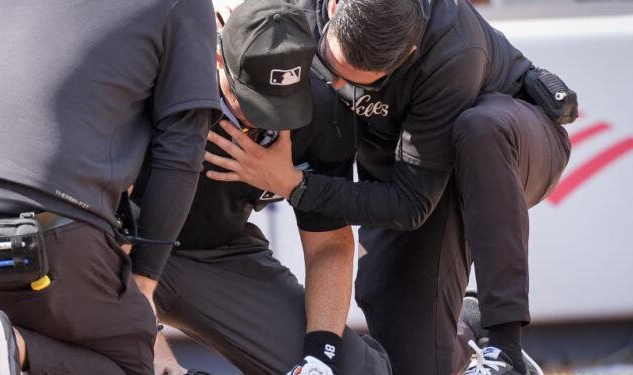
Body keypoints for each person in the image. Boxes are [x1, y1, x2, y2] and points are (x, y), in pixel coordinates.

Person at [205, 0, 573, 374]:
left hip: (509, 151)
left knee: (480, 129)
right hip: (411, 171)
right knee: (406, 345)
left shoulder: (452, 52)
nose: (332, 86)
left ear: (408, 53)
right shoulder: (298, 8)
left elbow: (411, 206)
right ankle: (468, 325)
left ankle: (505, 350)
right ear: (333, 6)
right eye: (329, 66)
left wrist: (295, 185)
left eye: (355, 81)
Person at [0, 0, 220, 373]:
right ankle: (15, 345)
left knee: (40, 328)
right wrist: (144, 280)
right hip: (38, 230)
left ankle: (7, 344)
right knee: (134, 362)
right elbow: (182, 147)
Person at [130, 1, 393, 374]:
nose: (262, 117)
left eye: (282, 104)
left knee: (356, 370)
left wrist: (320, 358)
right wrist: (155, 351)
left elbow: (329, 243)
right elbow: (91, 221)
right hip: (118, 253)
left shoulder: (323, 110)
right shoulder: (155, 81)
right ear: (219, 58)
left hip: (217, 254)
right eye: (250, 101)